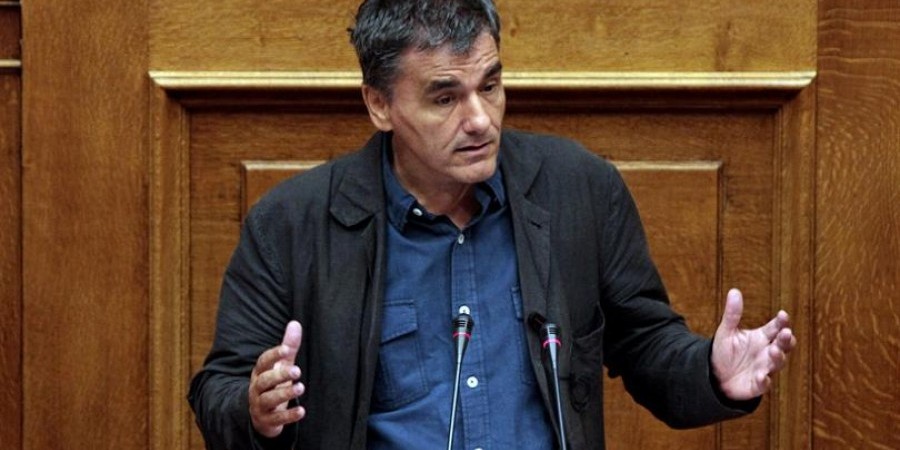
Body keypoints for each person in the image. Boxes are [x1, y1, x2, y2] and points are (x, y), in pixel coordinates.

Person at [187, 1, 797, 449]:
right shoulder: (292, 224)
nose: (480, 119)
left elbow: (644, 345)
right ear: (379, 104)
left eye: (491, 85)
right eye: (445, 97)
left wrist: (710, 371)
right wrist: (255, 409)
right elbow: (219, 391)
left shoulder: (579, 190)